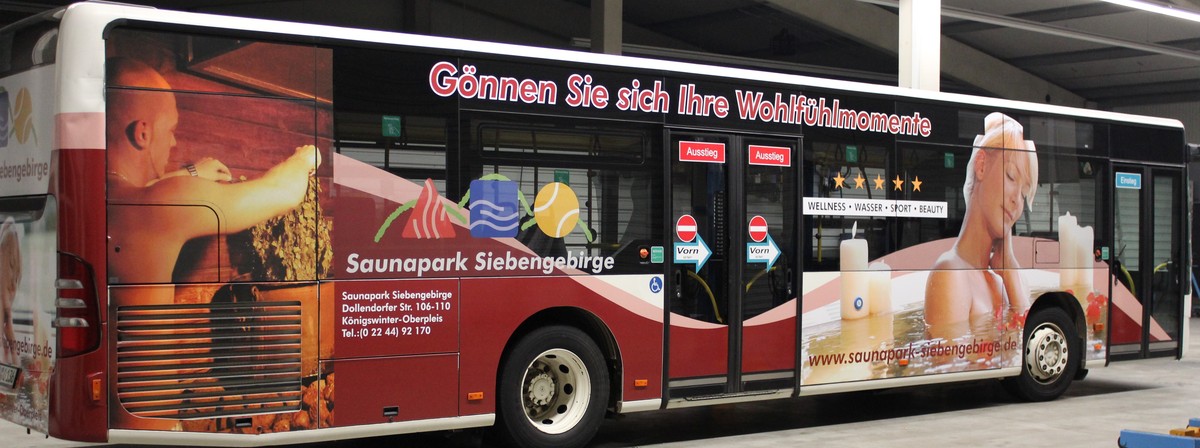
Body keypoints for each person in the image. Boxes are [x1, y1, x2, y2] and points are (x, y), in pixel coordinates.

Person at [105, 57, 321, 286]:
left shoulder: (108, 198)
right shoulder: (158, 207)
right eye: (170, 130)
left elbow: (144, 190)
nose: (173, 142)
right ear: (143, 134)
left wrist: (191, 173)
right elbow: (285, 192)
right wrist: (304, 158)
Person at [925, 112, 1037, 327]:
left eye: (1024, 193)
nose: (1017, 200)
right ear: (981, 165)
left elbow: (1028, 341)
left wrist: (1009, 270)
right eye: (1011, 176)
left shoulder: (1007, 277)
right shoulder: (951, 273)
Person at [0, 217, 19, 365]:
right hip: (6, 304)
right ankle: (14, 364)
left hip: (3, 304)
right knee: (10, 340)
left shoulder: (3, 253)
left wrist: (7, 309)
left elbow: (3, 285)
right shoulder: (17, 259)